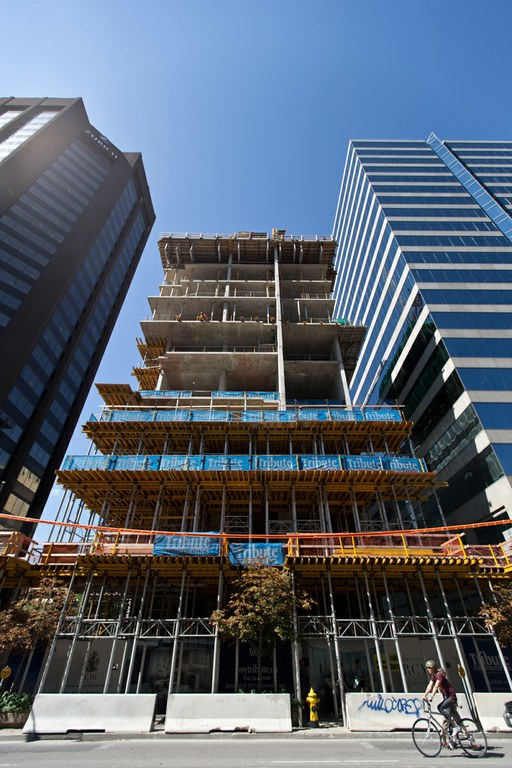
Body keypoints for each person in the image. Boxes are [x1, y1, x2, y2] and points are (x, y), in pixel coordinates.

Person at [422, 660, 462, 745]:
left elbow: (436, 686)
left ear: (433, 668)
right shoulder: (434, 677)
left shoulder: (439, 675)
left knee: (441, 710)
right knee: (455, 718)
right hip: (447, 699)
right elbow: (430, 685)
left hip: (450, 698)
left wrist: (431, 697)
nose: (428, 670)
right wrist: (424, 695)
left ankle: (454, 728)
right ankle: (454, 738)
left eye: (429, 668)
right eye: (427, 668)